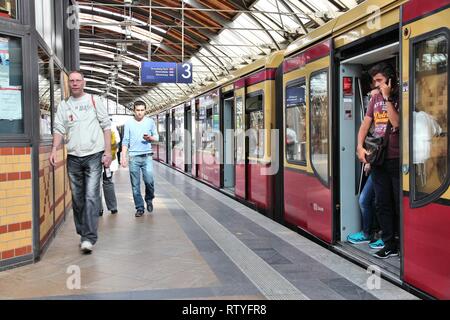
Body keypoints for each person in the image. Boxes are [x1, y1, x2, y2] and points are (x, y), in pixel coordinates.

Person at [50, 70, 112, 254]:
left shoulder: (94, 101)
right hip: (74, 157)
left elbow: (106, 126)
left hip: (94, 154)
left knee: (91, 196)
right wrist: (54, 149)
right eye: (72, 81)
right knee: (77, 198)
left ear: (83, 82)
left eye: (78, 80)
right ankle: (83, 231)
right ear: (68, 84)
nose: (75, 83)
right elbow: (59, 128)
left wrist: (107, 152)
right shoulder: (64, 105)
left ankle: (89, 237)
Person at [356, 62, 400, 259]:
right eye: (375, 81)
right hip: (378, 158)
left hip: (396, 158)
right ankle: (389, 243)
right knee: (382, 203)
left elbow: (397, 123)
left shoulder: (399, 98)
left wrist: (388, 97)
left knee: (398, 203)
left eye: (380, 80)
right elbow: (365, 125)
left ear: (390, 80)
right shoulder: (374, 100)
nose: (376, 84)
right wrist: (359, 146)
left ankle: (401, 243)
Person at [121, 101, 159, 217]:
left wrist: (150, 138)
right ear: (134, 110)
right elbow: (125, 141)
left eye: (142, 110)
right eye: (138, 110)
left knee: (149, 181)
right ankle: (139, 207)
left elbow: (157, 137)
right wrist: (123, 157)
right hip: (133, 157)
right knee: (135, 185)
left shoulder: (150, 122)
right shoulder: (128, 123)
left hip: (147, 156)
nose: (140, 113)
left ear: (145, 110)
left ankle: (149, 198)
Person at [99, 119, 120, 216]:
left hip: (95, 158)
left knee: (95, 184)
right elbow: (117, 141)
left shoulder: (92, 124)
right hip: (108, 159)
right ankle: (112, 207)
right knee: (108, 181)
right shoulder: (111, 125)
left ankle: (98, 209)